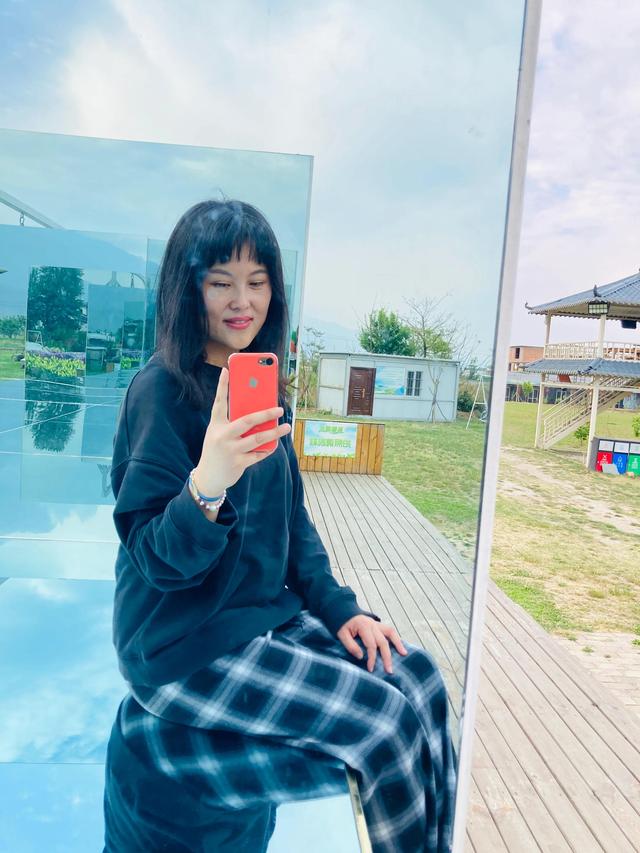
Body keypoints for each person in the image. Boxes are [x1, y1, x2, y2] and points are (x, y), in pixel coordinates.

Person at [103, 199, 457, 853]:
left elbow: (293, 520)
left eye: (258, 281)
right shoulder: (160, 392)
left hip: (260, 623)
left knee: (423, 679)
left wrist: (343, 609)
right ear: (187, 289)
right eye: (221, 281)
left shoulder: (260, 391)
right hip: (182, 647)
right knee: (383, 727)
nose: (243, 301)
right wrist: (209, 480)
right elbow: (154, 558)